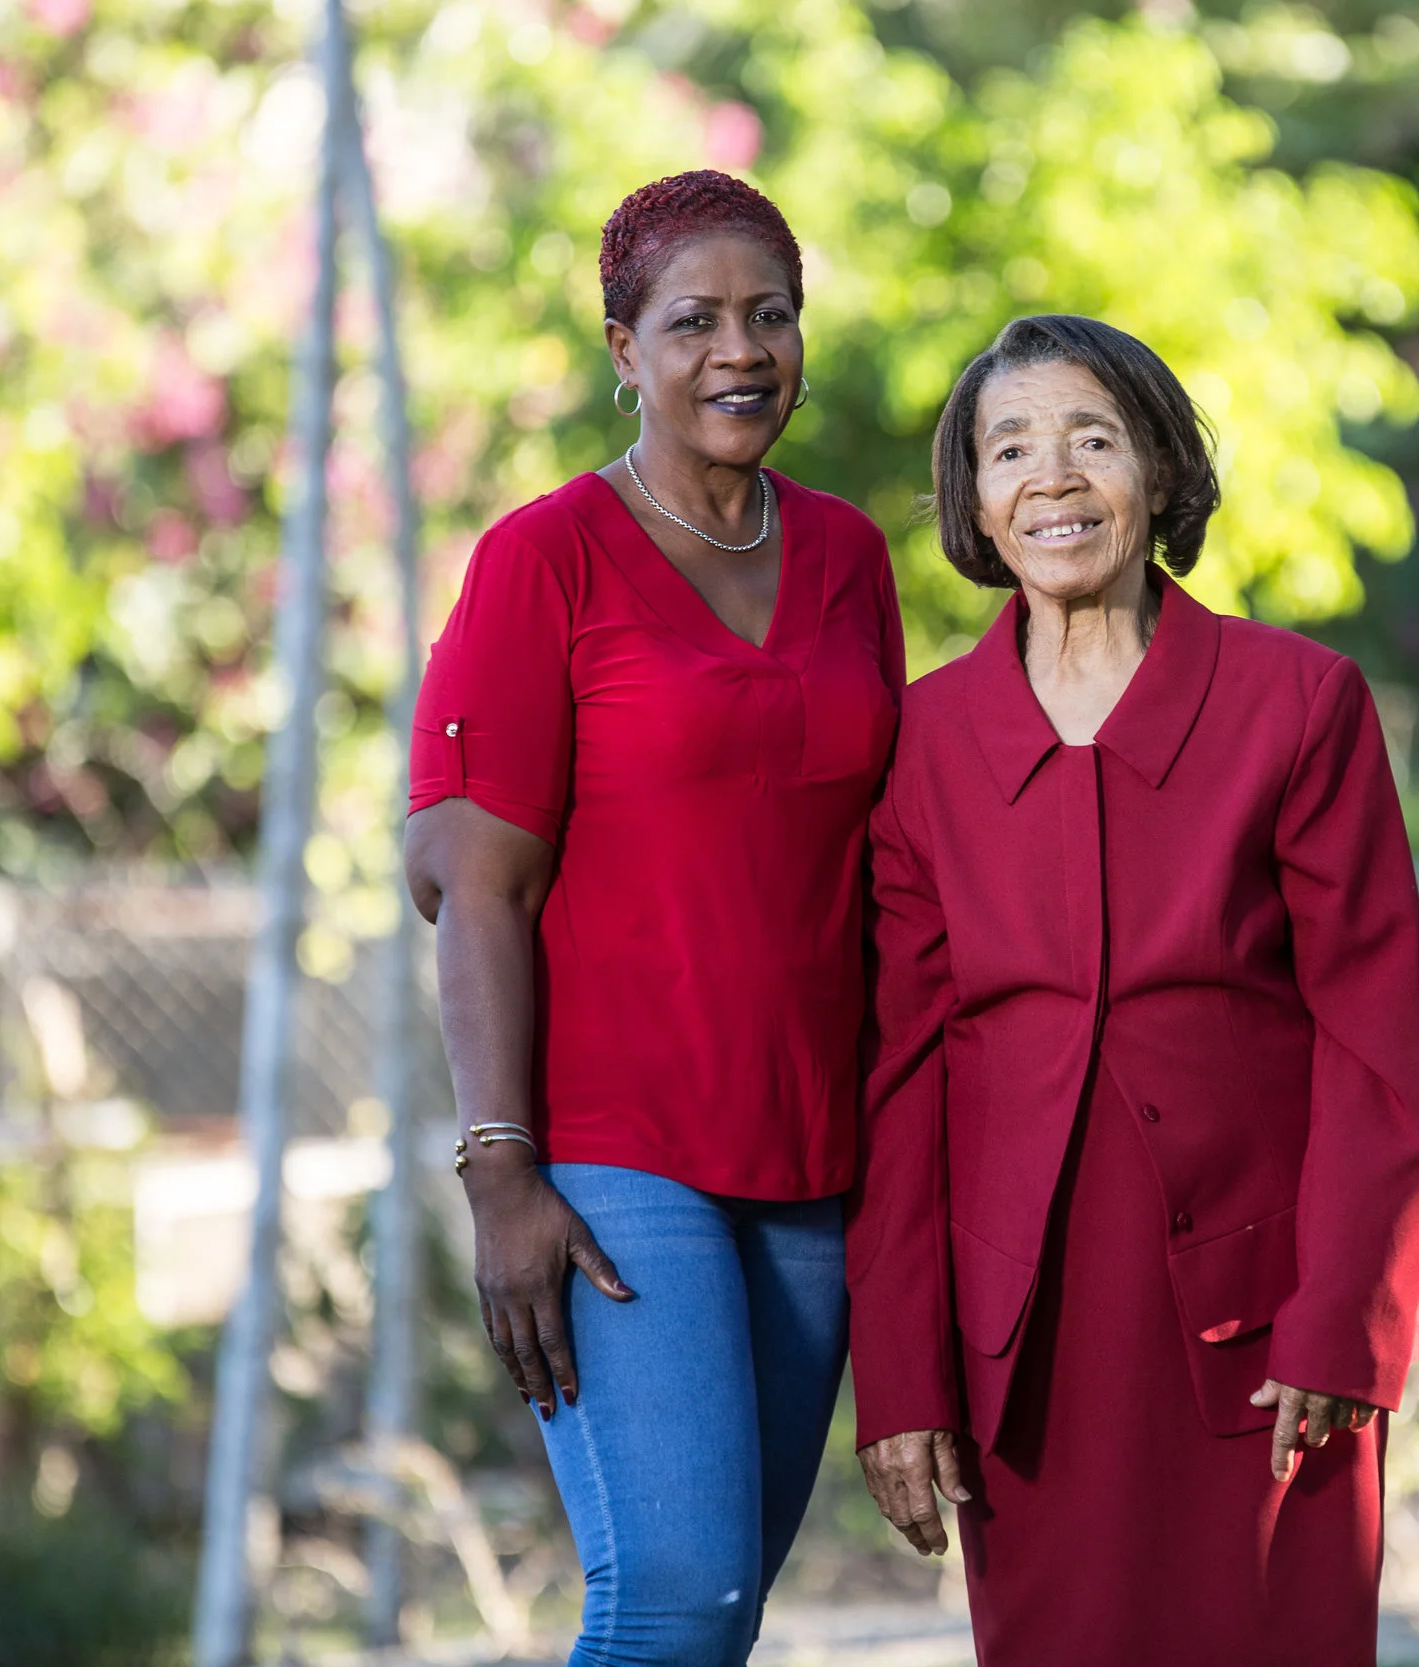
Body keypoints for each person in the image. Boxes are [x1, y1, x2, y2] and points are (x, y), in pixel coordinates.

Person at [845, 315, 1419, 1666]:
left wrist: (1344, 1322)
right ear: (975, 501)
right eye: (1011, 449)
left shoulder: (1301, 703)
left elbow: (1374, 1047)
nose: (1052, 478)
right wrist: (901, 1376)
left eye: (1092, 439)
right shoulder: (926, 740)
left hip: (1270, 1327)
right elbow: (900, 1081)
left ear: (1161, 469)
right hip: (1026, 1351)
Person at [403, 171, 905, 1667]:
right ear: (625, 349)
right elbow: (473, 885)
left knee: (720, 1609)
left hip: (813, 1159)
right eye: (694, 322)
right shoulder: (543, 558)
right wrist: (501, 1171)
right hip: (616, 1159)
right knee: (673, 1593)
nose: (739, 350)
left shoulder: (850, 557)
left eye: (770, 315)